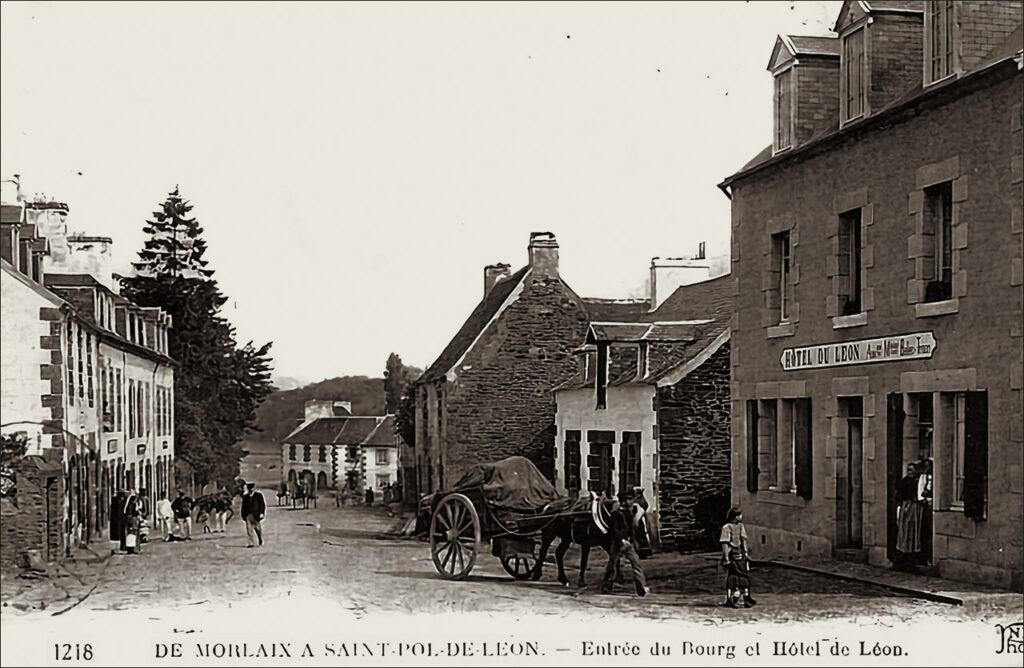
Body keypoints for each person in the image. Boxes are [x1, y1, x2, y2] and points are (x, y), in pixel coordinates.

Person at [600, 490, 649, 597]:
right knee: (612, 565)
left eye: (631, 499)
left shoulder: (630, 512)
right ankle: (606, 586)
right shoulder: (616, 514)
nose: (630, 502)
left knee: (636, 564)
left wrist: (632, 539)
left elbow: (632, 528)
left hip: (629, 543)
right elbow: (614, 530)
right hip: (619, 543)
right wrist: (620, 540)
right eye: (628, 499)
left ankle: (641, 588)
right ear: (623, 501)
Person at [720, 507, 755, 608]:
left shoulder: (740, 526)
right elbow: (725, 544)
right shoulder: (727, 527)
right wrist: (726, 558)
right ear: (734, 517)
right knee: (735, 577)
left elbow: (743, 540)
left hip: (739, 555)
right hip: (733, 555)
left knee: (737, 577)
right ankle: (733, 599)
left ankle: (738, 598)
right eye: (739, 515)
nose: (741, 516)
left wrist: (746, 553)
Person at [894, 462, 923, 571]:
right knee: (904, 531)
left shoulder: (918, 481)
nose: (909, 472)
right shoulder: (905, 481)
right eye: (908, 470)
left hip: (914, 507)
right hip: (907, 506)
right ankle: (903, 557)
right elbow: (900, 495)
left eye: (911, 470)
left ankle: (911, 558)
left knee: (912, 532)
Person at [242, 482, 266, 547]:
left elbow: (262, 505)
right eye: (249, 489)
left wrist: (262, 513)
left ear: (254, 488)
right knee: (249, 530)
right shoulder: (246, 497)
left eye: (252, 488)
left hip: (256, 515)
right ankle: (251, 543)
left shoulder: (258, 495)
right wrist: (243, 515)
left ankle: (260, 539)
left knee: (258, 529)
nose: (251, 490)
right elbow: (243, 507)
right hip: (248, 515)